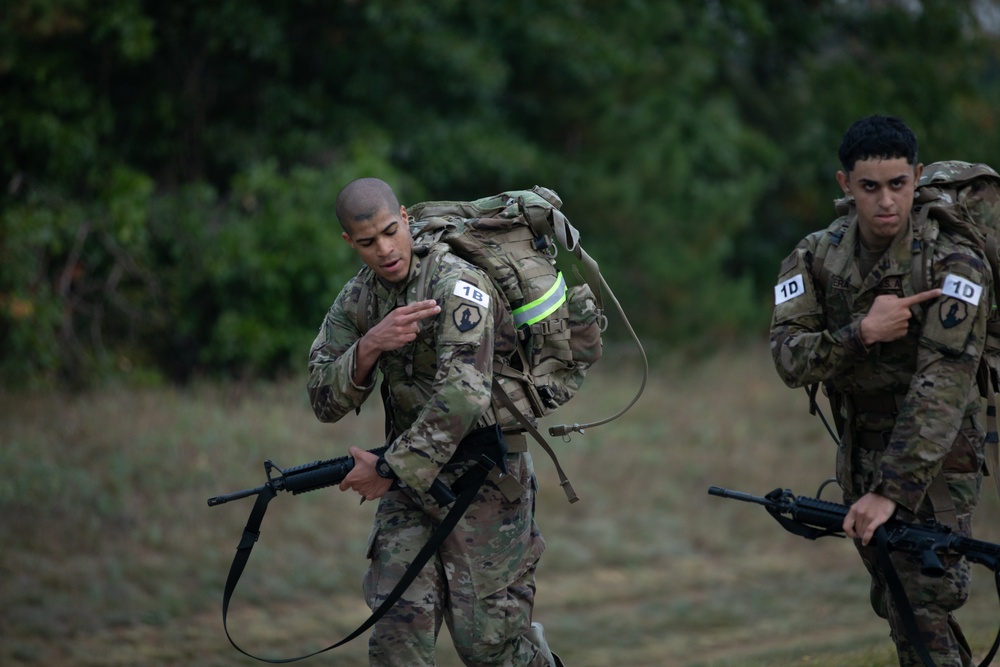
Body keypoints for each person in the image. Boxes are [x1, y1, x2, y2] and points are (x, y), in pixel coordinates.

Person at [307, 177, 562, 667]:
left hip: (484, 480)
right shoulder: (358, 300)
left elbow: (464, 394)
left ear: (404, 218)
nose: (384, 250)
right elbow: (322, 399)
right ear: (349, 243)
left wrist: (385, 470)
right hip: (410, 488)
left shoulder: (456, 283)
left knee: (490, 648)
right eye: (367, 242)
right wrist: (369, 346)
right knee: (396, 641)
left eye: (389, 231)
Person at [770, 115, 990, 666]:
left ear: (916, 178)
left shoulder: (953, 260)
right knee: (898, 604)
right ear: (846, 185)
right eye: (870, 187)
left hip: (935, 460)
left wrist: (891, 492)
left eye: (898, 185)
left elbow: (945, 384)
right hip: (858, 449)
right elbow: (788, 359)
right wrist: (861, 332)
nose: (886, 202)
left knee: (924, 604)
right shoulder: (817, 256)